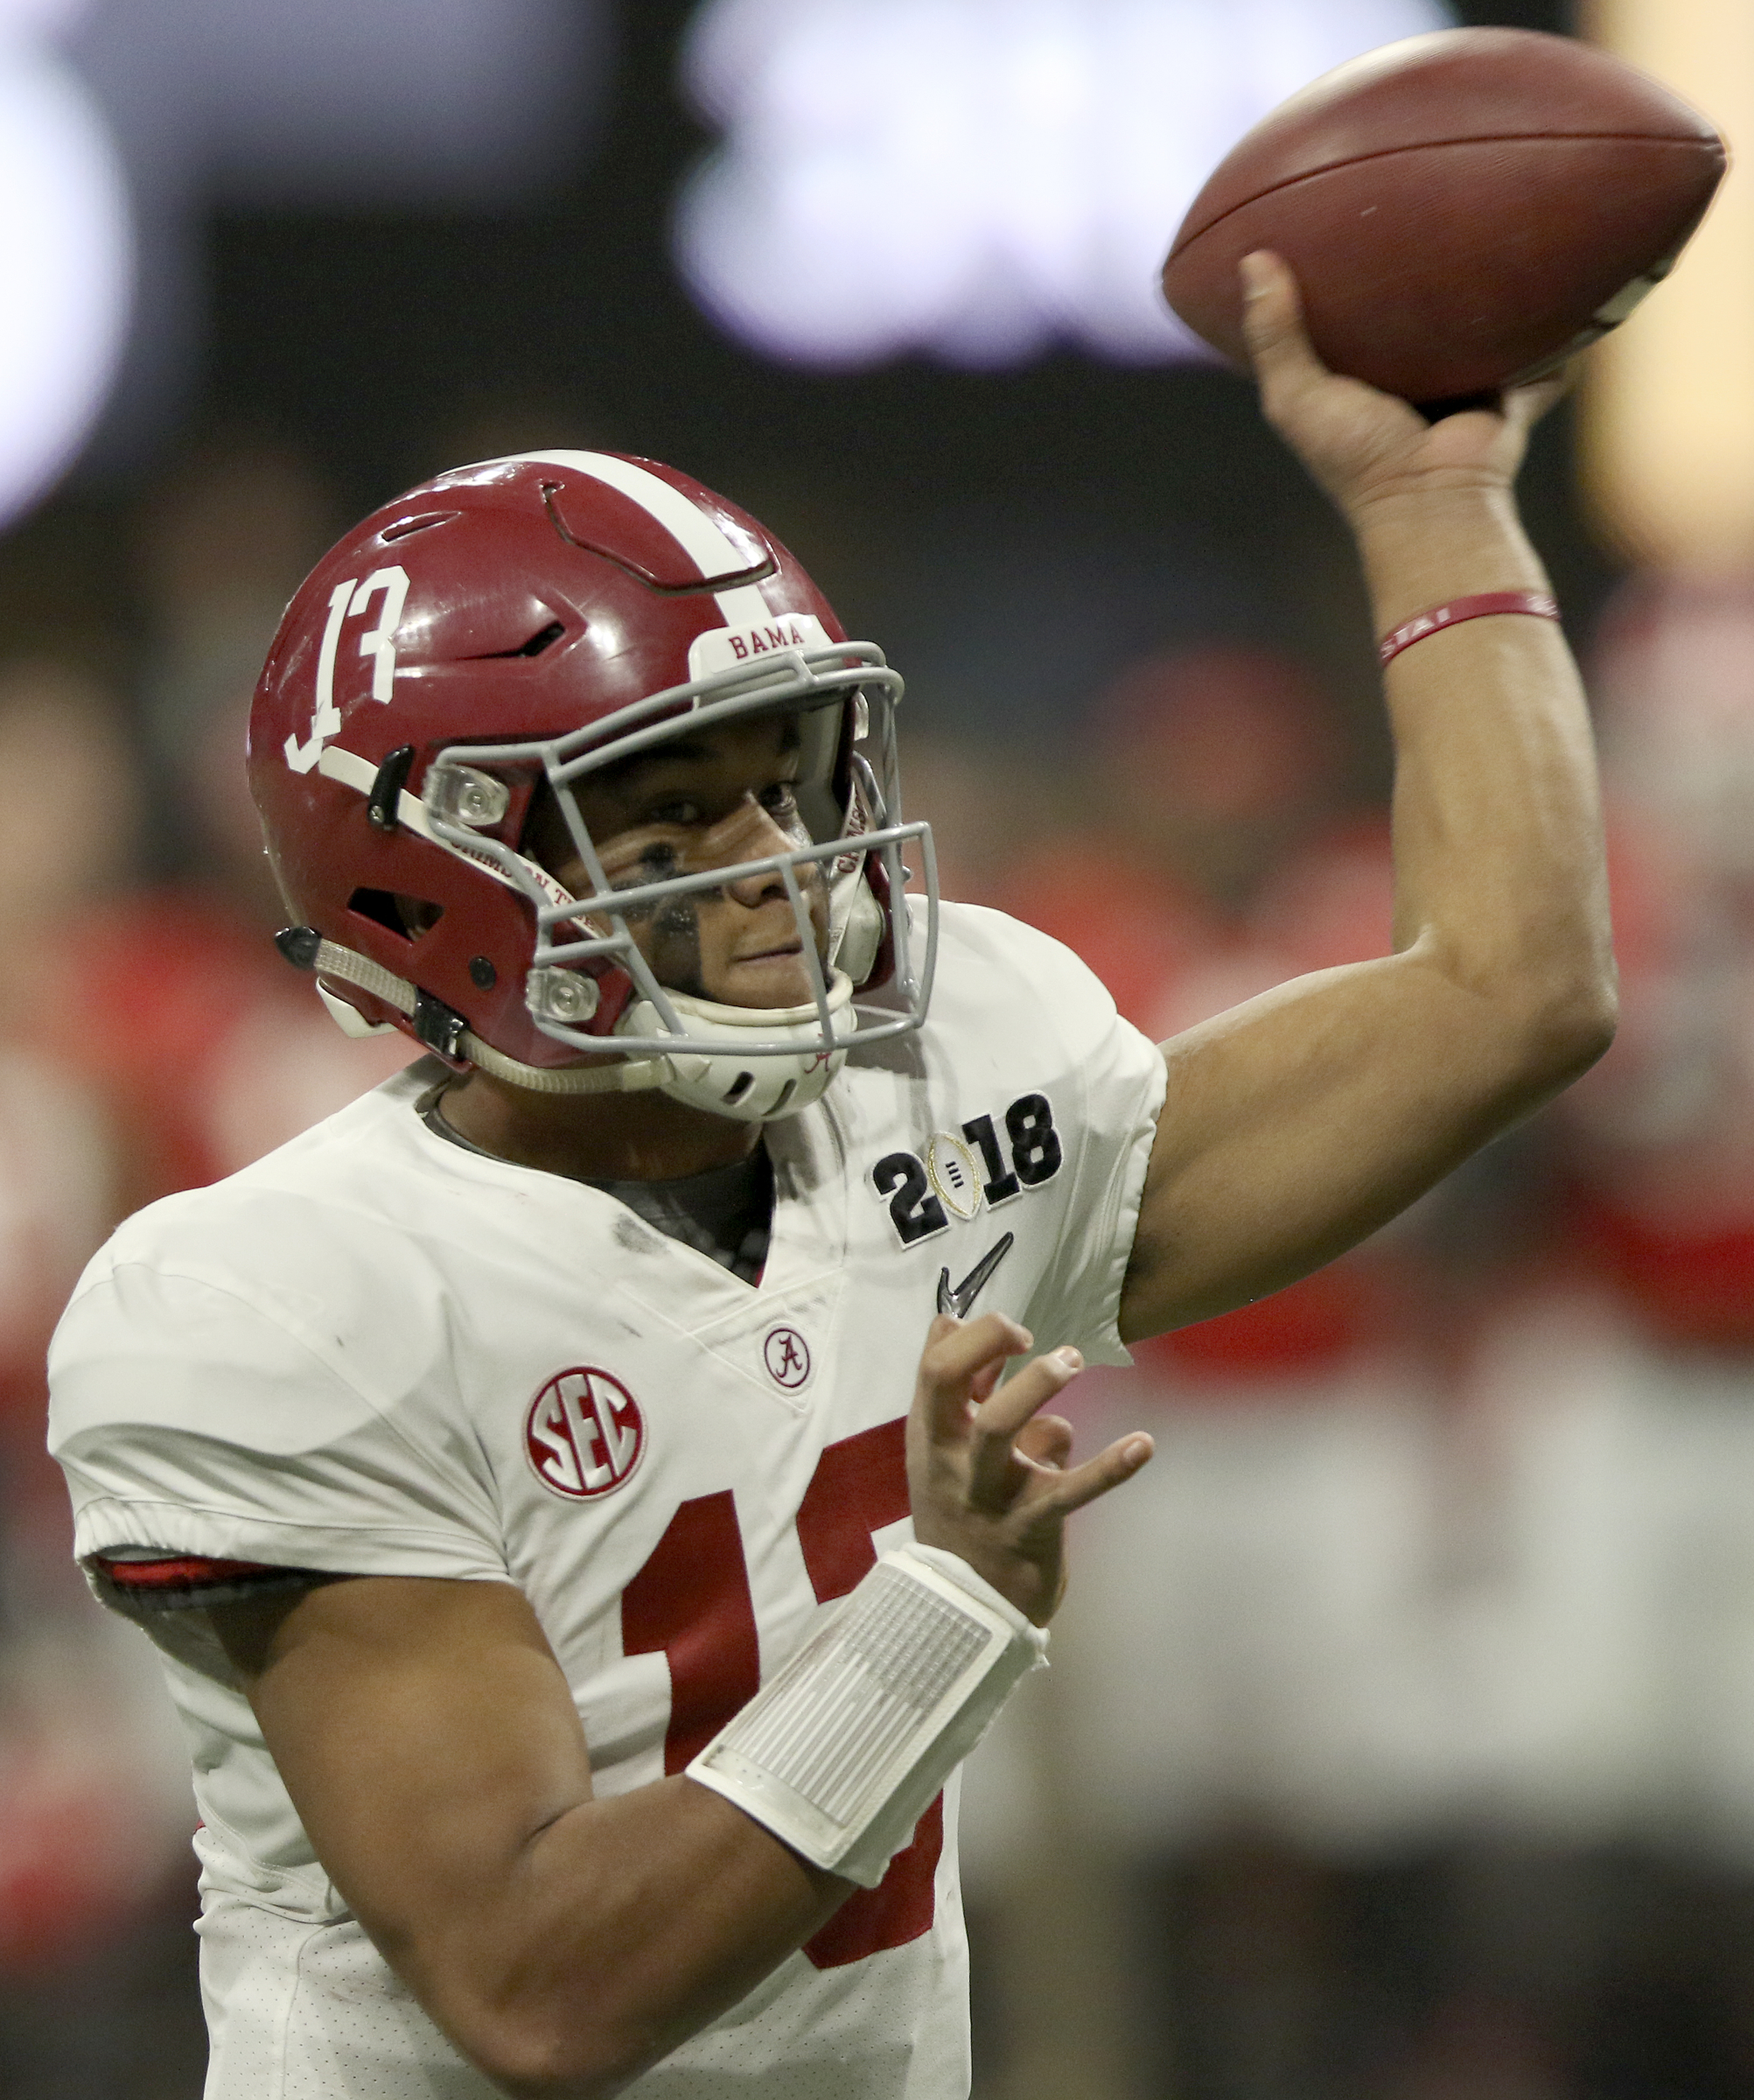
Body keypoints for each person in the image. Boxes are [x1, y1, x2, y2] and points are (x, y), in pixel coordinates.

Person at [45, 253, 1613, 2099]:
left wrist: (1431, 505)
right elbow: (542, 1991)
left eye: (784, 781)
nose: (778, 861)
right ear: (439, 878)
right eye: (671, 813)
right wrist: (939, 1612)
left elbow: (1510, 991)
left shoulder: (937, 1086)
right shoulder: (273, 1298)